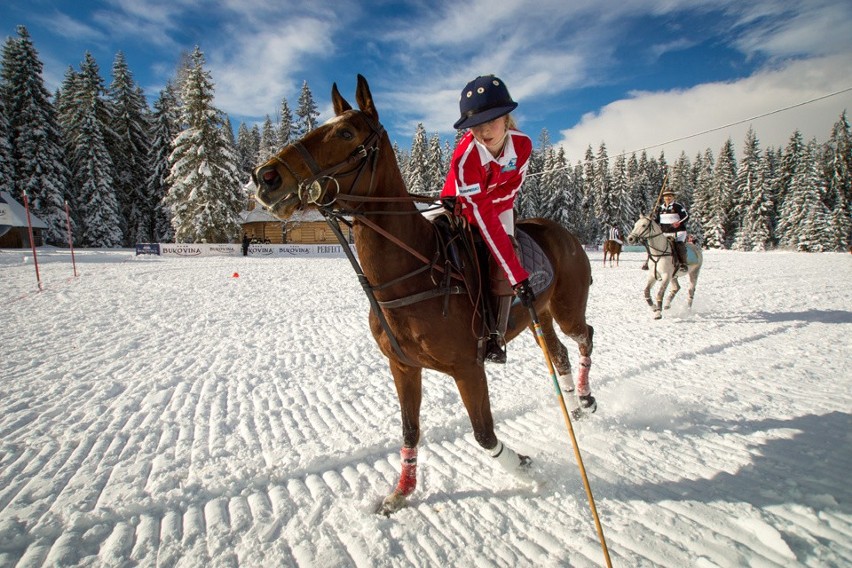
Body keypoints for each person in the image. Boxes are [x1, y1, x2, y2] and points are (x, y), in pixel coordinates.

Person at [441, 75, 535, 364]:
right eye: (476, 126)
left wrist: (516, 276)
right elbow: (476, 210)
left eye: (491, 121)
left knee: (504, 257)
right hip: (461, 206)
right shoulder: (465, 157)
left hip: (498, 205)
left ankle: (495, 335)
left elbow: (512, 188)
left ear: (506, 119)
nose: (483, 131)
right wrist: (472, 202)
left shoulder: (522, 146)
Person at [655, 190, 689, 272]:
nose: (668, 198)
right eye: (666, 196)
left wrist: (679, 222)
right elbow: (658, 220)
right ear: (663, 197)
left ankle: (683, 264)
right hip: (665, 233)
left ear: (673, 197)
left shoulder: (677, 206)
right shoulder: (660, 208)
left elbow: (686, 216)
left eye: (670, 196)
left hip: (678, 232)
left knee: (678, 245)